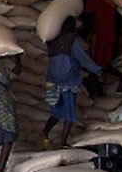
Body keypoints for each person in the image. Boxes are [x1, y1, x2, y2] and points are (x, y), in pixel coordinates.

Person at [38, 16, 103, 150]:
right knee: (70, 112)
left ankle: (44, 132)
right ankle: (63, 142)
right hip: (68, 81)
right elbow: (83, 58)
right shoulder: (73, 40)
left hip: (53, 81)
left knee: (56, 111)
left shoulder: (54, 40)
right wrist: (97, 70)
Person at [81, 0, 122, 95]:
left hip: (100, 33)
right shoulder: (111, 2)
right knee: (104, 61)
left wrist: (86, 34)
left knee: (97, 61)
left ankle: (120, 77)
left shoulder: (93, 1)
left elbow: (89, 19)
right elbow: (118, 19)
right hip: (111, 34)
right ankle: (102, 88)